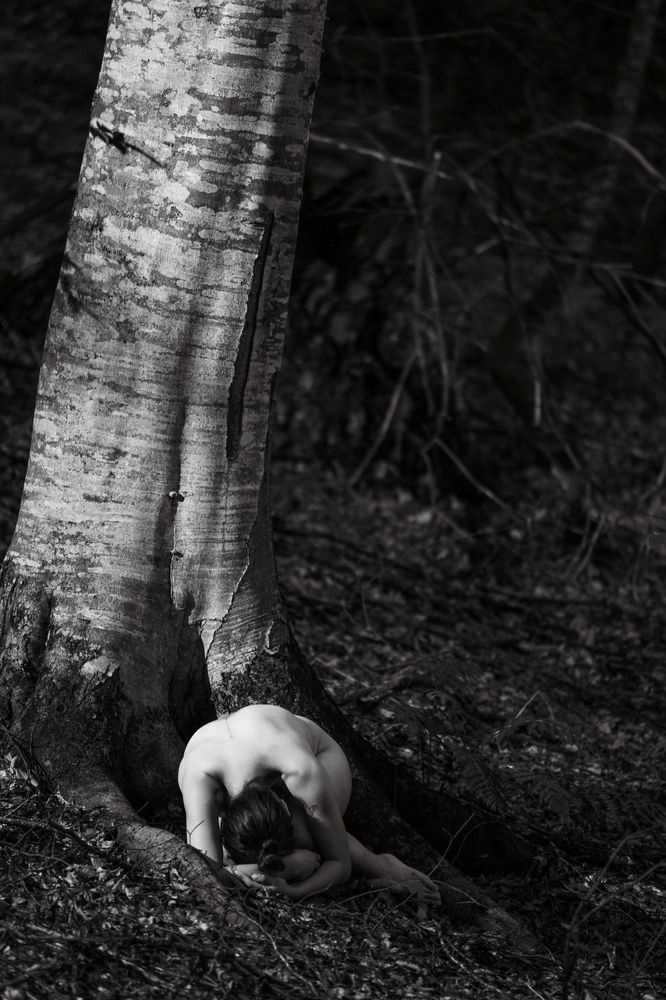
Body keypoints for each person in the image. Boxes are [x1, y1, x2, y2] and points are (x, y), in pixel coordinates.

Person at [178, 703, 440, 904]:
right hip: (257, 762)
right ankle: (283, 855)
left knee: (308, 836)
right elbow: (203, 873)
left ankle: (378, 864)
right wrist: (290, 867)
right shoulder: (199, 779)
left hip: (322, 756)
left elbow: (339, 864)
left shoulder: (299, 769)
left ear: (283, 806)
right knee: (224, 855)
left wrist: (292, 891)